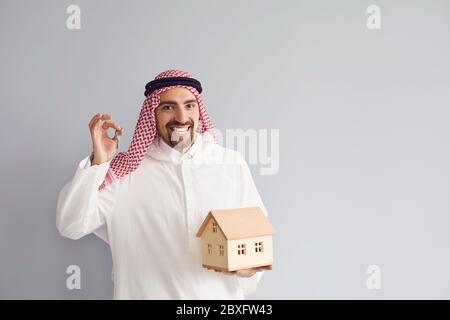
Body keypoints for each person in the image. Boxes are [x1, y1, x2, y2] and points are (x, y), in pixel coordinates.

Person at [56, 69, 271, 299]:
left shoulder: (230, 164)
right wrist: (98, 164)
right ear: (153, 114)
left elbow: (256, 236)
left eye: (189, 105)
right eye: (168, 107)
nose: (181, 117)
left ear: (199, 110)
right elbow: (71, 225)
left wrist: (249, 270)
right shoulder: (125, 172)